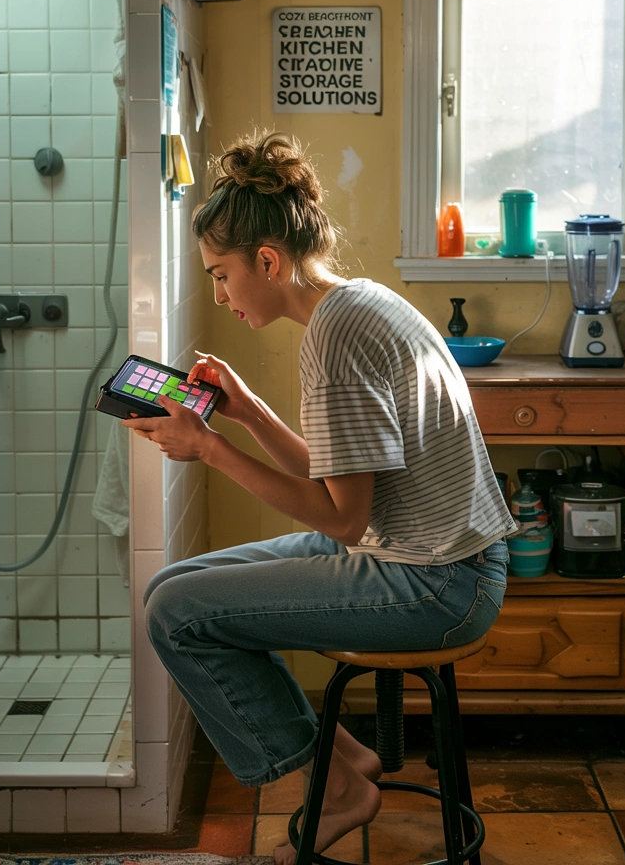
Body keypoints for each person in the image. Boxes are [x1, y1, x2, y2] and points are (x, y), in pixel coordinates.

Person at [124, 131, 516, 865]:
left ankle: (334, 785)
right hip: (427, 554)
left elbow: (342, 517)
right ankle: (342, 762)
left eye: (220, 274)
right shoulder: (360, 303)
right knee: (176, 585)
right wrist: (243, 413)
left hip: (436, 581)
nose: (218, 294)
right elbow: (344, 486)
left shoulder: (332, 342)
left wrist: (209, 449)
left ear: (266, 261)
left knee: (177, 616)